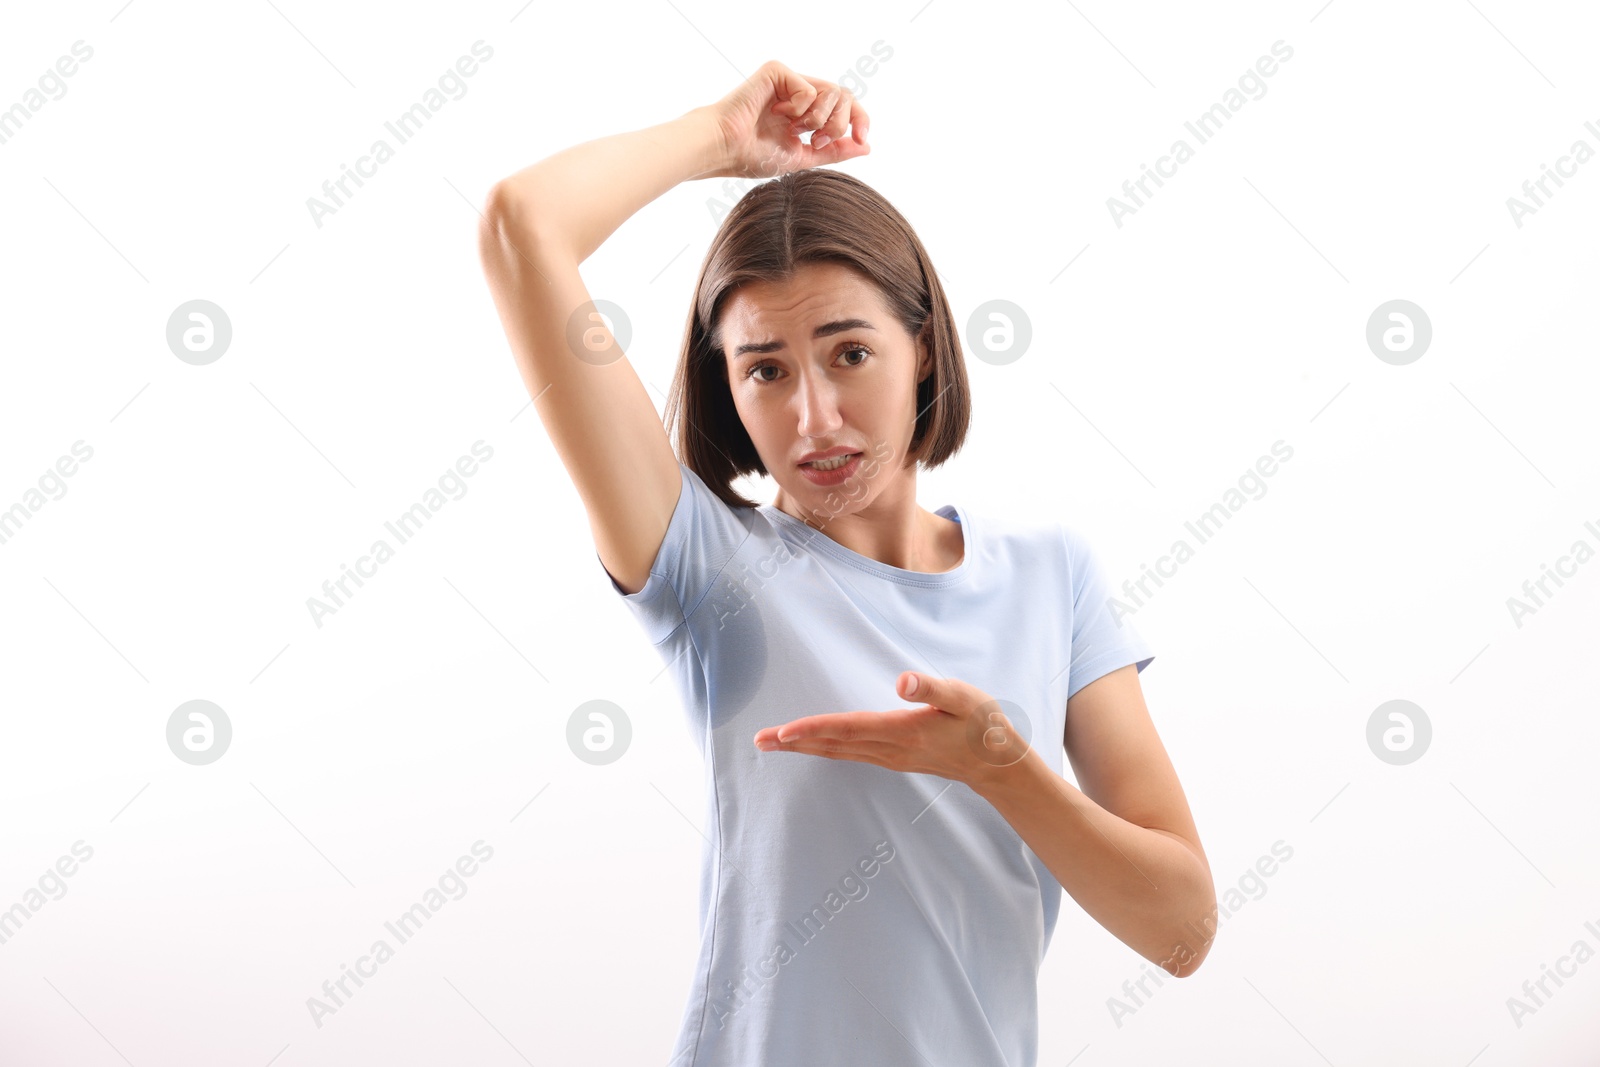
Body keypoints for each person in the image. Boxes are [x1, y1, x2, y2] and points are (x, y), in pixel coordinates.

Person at [476, 59, 1216, 1067]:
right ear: (724, 388)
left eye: (849, 352)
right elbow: (523, 224)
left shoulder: (1054, 575)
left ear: (920, 346)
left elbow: (1180, 930)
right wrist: (716, 141)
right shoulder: (705, 567)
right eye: (764, 370)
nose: (813, 416)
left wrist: (998, 765)